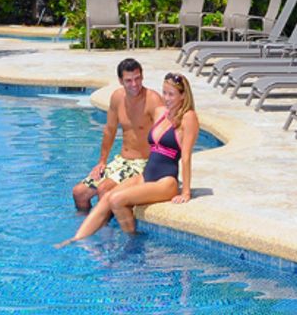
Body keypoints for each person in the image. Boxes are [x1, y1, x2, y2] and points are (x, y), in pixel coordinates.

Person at [58, 72, 198, 246]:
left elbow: (186, 157)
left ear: (183, 95)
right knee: (108, 197)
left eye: (171, 94)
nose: (166, 98)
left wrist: (186, 192)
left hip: (165, 181)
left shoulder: (188, 117)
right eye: (164, 93)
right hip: (146, 176)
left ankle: (133, 243)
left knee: (117, 200)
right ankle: (76, 239)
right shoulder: (162, 113)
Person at [71, 58, 163, 211]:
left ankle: (107, 226)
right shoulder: (117, 97)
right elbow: (110, 130)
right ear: (120, 81)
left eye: (137, 78)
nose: (134, 84)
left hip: (144, 163)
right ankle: (86, 224)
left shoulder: (152, 100)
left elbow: (166, 133)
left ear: (142, 76)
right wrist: (102, 161)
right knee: (79, 193)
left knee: (104, 189)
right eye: (129, 80)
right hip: (122, 162)